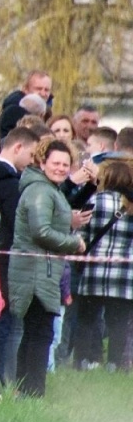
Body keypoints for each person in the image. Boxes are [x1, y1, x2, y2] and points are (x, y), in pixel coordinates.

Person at [10, 140, 89, 397]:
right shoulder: (41, 191)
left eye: (65, 164)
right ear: (42, 163)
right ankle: (33, 392)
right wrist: (74, 243)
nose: (61, 168)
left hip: (41, 270)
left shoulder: (49, 189)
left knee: (35, 332)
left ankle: (25, 390)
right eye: (56, 163)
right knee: (40, 333)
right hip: (36, 271)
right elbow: (41, 231)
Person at [0, 126, 39, 391]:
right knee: (0, 323)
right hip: (4, 260)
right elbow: (20, 222)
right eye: (31, 154)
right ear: (18, 147)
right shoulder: (8, 182)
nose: (31, 161)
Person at [73, 158, 133, 371]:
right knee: (118, 323)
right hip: (124, 274)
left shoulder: (94, 201)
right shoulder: (130, 205)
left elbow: (81, 235)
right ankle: (114, 364)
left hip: (94, 270)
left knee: (87, 320)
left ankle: (81, 360)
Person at [0, 70, 53, 135]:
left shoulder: (48, 113)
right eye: (38, 89)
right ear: (25, 89)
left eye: (47, 90)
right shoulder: (12, 113)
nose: (43, 93)